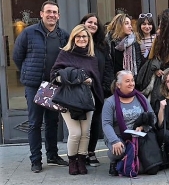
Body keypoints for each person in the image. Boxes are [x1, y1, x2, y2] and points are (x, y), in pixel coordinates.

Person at [13, 1, 69, 173]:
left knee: (53, 122)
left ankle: (52, 155)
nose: (52, 15)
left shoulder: (63, 35)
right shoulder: (29, 33)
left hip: (54, 85)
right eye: (48, 12)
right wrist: (29, 73)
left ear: (58, 16)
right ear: (41, 14)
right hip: (34, 85)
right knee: (35, 123)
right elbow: (17, 56)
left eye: (55, 12)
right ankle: (35, 160)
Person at [50, 24, 104, 175]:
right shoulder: (65, 54)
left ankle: (81, 159)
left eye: (84, 37)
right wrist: (74, 77)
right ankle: (72, 161)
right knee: (75, 133)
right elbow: (54, 76)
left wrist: (90, 81)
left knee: (86, 132)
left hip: (87, 98)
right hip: (67, 98)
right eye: (78, 36)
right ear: (73, 38)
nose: (81, 39)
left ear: (89, 39)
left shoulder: (91, 58)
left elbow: (95, 79)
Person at [102, 70, 155, 176]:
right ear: (118, 85)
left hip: (138, 135)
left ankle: (128, 161)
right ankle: (115, 162)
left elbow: (152, 116)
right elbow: (106, 124)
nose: (131, 83)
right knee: (119, 151)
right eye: (127, 81)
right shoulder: (110, 102)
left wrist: (143, 127)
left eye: (132, 80)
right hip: (118, 135)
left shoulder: (141, 98)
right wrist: (114, 140)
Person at [79, 13, 114, 167]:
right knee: (80, 124)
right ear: (83, 24)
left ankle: (91, 152)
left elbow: (108, 67)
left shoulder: (102, 45)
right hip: (79, 91)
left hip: (98, 89)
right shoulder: (77, 41)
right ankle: (80, 154)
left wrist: (106, 86)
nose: (92, 25)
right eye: (89, 22)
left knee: (94, 122)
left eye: (95, 23)